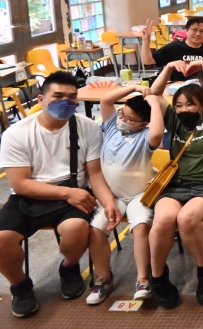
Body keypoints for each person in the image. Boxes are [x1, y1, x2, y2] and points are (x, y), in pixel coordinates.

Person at [0, 72, 117, 318]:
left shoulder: (87, 127)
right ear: (41, 99)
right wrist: (66, 193)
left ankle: (69, 267)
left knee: (77, 228)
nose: (66, 102)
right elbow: (20, 184)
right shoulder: (16, 133)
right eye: (58, 96)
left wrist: (108, 203)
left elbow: (95, 174)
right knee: (2, 239)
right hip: (30, 196)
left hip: (74, 192)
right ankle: (20, 285)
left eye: (72, 97)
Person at [148, 60, 203, 308]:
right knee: (162, 220)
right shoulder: (174, 121)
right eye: (179, 105)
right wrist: (169, 69)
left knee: (187, 218)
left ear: (202, 105)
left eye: (190, 104)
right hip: (176, 187)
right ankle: (158, 278)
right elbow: (154, 93)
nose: (183, 109)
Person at [86, 85, 164, 305]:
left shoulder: (145, 136)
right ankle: (104, 277)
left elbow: (157, 132)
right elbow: (106, 100)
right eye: (122, 115)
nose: (123, 120)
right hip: (112, 197)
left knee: (140, 227)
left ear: (143, 123)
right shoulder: (112, 128)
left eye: (130, 120)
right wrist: (133, 88)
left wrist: (154, 104)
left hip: (139, 195)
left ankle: (143, 279)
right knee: (96, 229)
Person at [141, 17, 203, 81]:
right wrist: (146, 40)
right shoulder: (174, 47)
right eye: (194, 30)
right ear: (186, 31)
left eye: (202, 31)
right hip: (179, 88)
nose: (198, 34)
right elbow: (148, 61)